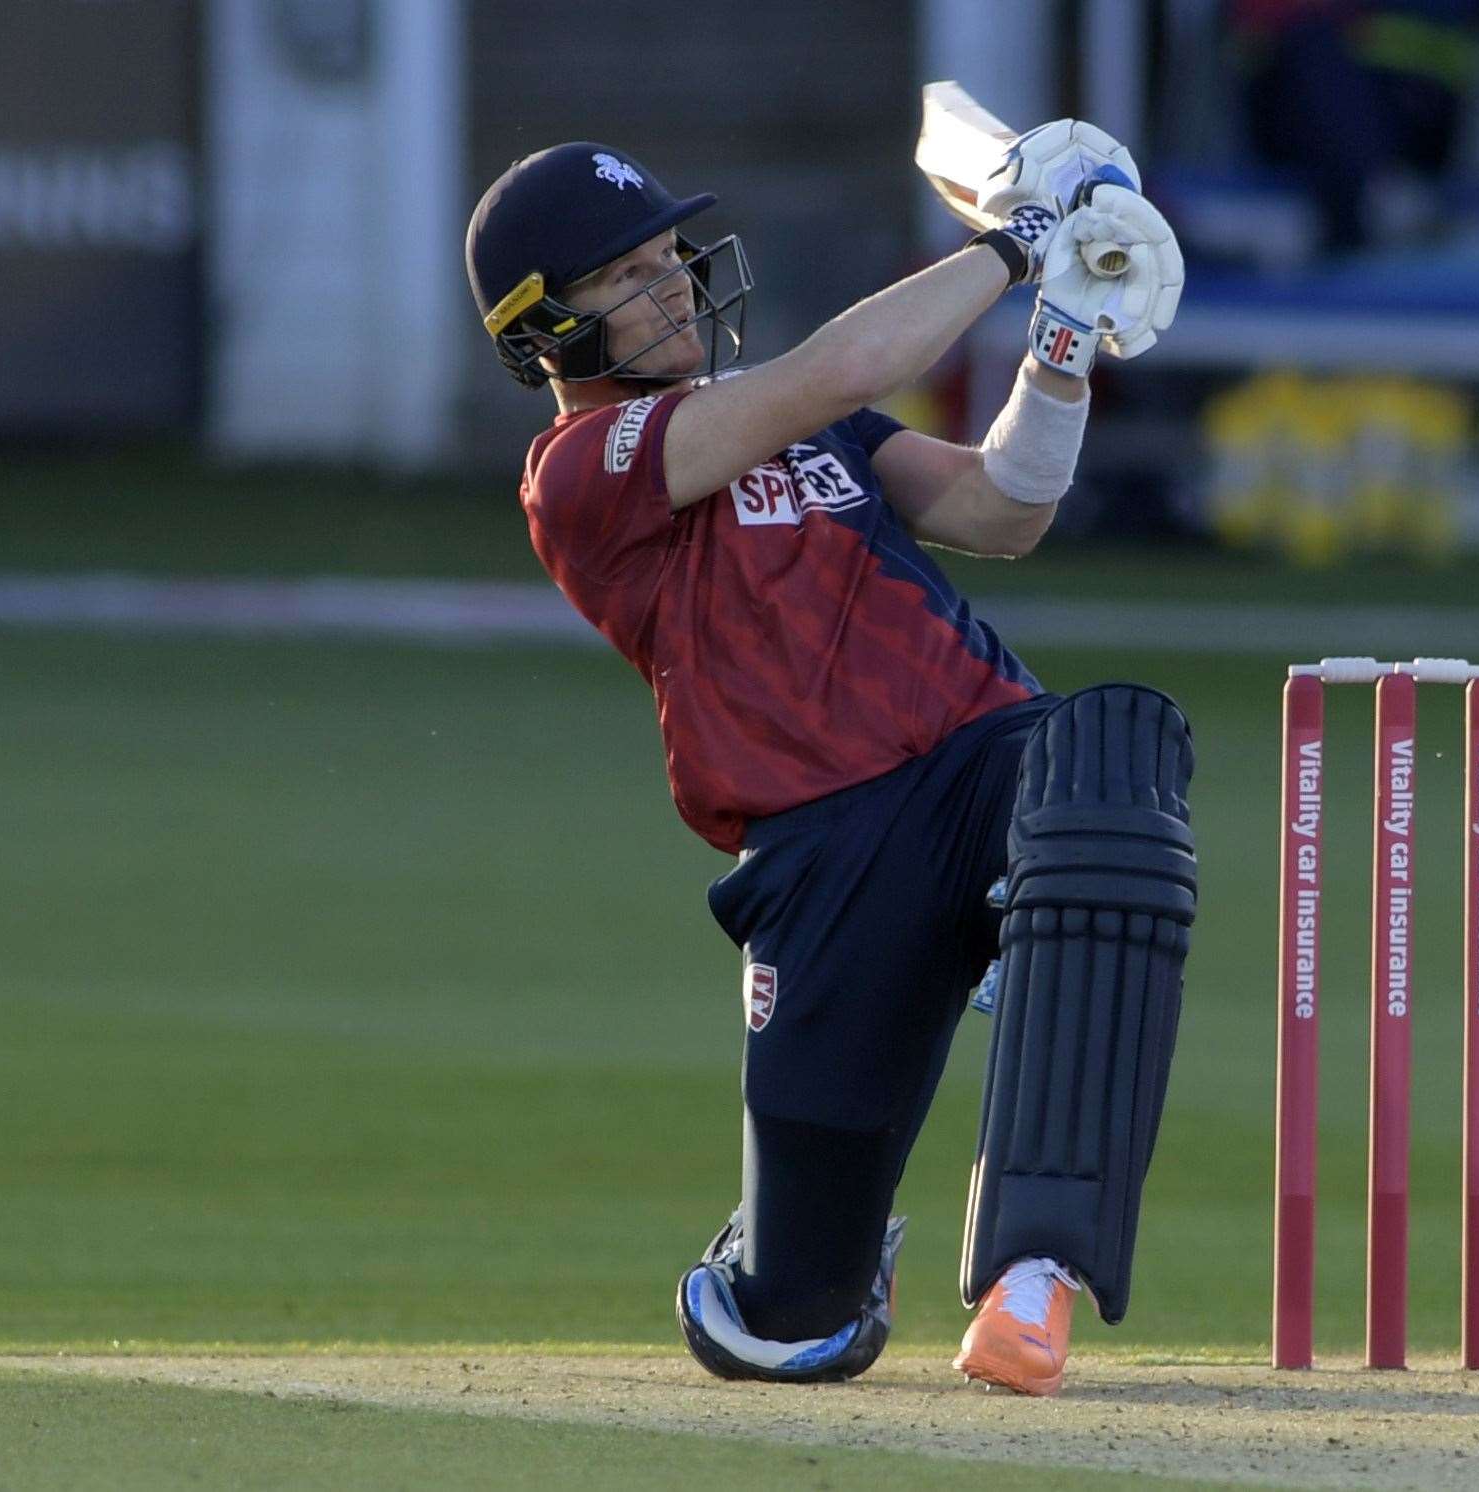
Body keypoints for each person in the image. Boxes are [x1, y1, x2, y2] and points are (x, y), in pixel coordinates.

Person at [463, 136, 1193, 1396]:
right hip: (821, 853)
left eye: (667, 259)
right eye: (626, 277)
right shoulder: (584, 471)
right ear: (545, 334)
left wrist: (1062, 339)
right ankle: (787, 1266)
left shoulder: (821, 426)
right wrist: (1019, 243)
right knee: (793, 1325)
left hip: (979, 756)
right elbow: (835, 366)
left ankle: (1033, 1271)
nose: (673, 286)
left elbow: (1003, 509)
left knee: (1110, 752)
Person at [1229, 0, 1479, 253]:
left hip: (1420, 113)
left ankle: (1378, 196)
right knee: (1317, 51)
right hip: (1299, 113)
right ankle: (1373, 195)